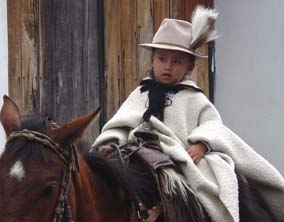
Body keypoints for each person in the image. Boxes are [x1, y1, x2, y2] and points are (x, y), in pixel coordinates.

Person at [93, 5, 284, 222]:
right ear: (152, 60)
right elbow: (121, 124)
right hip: (139, 153)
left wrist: (202, 144)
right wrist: (109, 142)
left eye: (177, 61)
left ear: (189, 67)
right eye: (162, 59)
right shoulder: (140, 94)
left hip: (181, 155)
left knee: (212, 181)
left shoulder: (194, 98)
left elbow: (213, 124)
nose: (168, 66)